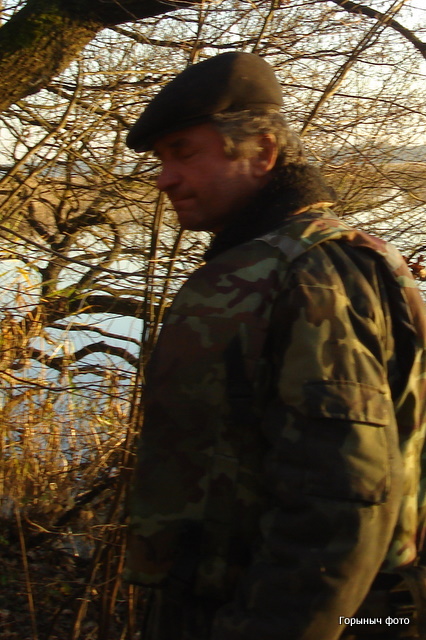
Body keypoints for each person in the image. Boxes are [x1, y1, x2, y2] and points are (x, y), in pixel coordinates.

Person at [125, 52, 426, 640]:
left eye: (184, 153)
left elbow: (342, 500)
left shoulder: (311, 274)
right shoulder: (271, 265)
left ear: (263, 151)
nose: (164, 178)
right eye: (162, 159)